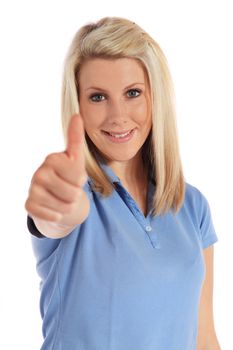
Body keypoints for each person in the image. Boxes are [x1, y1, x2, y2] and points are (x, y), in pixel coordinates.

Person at [25, 17, 221, 350]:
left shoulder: (192, 206)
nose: (118, 116)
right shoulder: (74, 195)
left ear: (155, 97)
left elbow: (203, 337)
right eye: (98, 97)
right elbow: (54, 219)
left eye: (132, 93)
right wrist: (54, 208)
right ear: (78, 106)